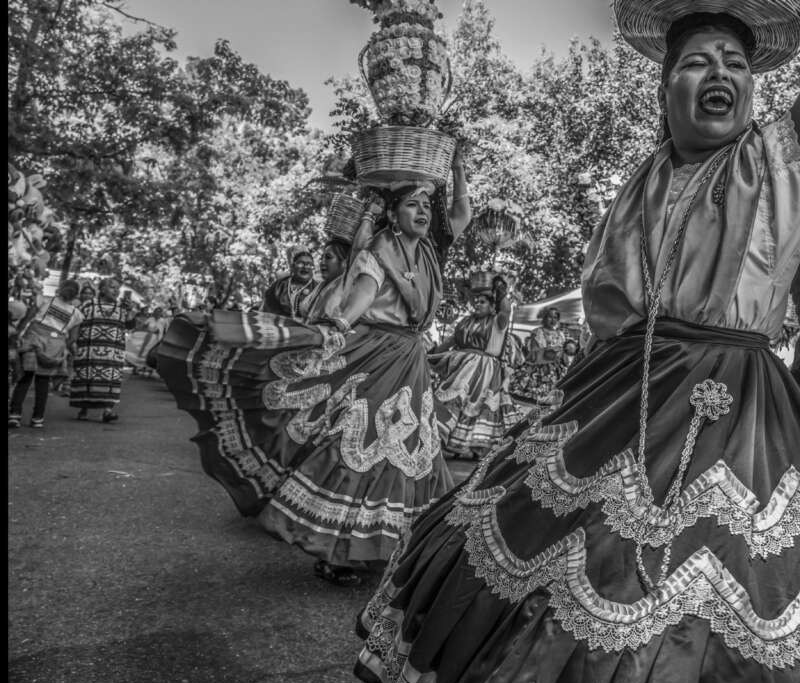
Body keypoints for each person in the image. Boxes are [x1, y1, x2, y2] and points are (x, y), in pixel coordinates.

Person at [356, 0, 800, 683]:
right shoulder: (639, 183)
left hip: (739, 418)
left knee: (726, 608)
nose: (720, 74)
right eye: (697, 62)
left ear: (754, 89)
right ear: (666, 86)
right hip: (617, 399)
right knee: (564, 584)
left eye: (736, 64)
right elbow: (607, 315)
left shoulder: (778, 159)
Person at [156, 148, 473, 588]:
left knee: (414, 452)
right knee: (361, 446)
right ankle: (338, 551)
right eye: (411, 205)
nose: (422, 212)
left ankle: (401, 546)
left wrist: (457, 167)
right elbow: (362, 296)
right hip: (376, 355)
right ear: (393, 214)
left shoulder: (430, 252)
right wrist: (336, 327)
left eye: (425, 205)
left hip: (410, 359)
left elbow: (461, 214)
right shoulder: (379, 250)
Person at [428, 275, 524, 460]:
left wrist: (500, 290)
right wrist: (431, 356)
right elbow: (450, 341)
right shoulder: (466, 322)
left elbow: (505, 309)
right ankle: (446, 441)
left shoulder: (498, 322)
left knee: (475, 406)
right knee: (451, 400)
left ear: (492, 305)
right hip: (461, 369)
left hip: (484, 371)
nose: (477, 305)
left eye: (482, 302)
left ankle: (473, 447)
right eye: (476, 302)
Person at [9, 280, 83, 429]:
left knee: (25, 378)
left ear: (60, 288)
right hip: (54, 348)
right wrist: (62, 347)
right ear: (76, 295)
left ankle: (14, 415)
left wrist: (17, 335)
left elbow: (27, 318)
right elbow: (73, 338)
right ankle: (38, 418)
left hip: (33, 340)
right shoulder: (77, 314)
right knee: (43, 382)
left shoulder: (44, 301)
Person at [69, 277, 135, 423]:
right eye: (112, 287)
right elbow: (75, 322)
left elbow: (130, 326)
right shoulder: (88, 305)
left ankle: (107, 411)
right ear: (102, 289)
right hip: (88, 351)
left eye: (118, 288)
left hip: (113, 354)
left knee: (110, 380)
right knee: (87, 378)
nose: (116, 290)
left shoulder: (122, 307)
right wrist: (73, 342)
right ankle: (84, 409)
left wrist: (130, 310)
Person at [509, 306, 570, 404]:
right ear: (544, 318)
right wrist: (549, 352)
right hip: (538, 366)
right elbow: (534, 352)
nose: (552, 320)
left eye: (555, 317)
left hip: (556, 368)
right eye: (550, 317)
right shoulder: (537, 332)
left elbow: (563, 354)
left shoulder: (561, 335)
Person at [259, 248, 318, 319]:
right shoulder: (278, 286)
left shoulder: (318, 289)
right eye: (300, 263)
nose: (305, 267)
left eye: (309, 264)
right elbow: (267, 311)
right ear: (293, 266)